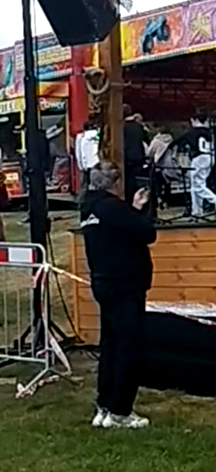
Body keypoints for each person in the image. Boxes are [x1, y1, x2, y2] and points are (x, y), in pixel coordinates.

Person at [79, 161, 155, 429]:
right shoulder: (112, 207)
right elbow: (147, 233)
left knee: (110, 345)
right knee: (128, 346)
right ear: (115, 182)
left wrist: (132, 208)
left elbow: (119, 231)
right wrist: (140, 211)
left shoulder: (89, 209)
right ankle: (121, 409)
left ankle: (105, 405)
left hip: (104, 282)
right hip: (125, 283)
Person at [173, 112, 216, 218]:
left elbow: (177, 142)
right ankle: (197, 210)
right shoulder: (209, 132)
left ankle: (214, 200)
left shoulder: (192, 132)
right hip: (210, 157)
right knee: (197, 184)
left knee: (197, 185)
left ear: (195, 120)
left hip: (199, 158)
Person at [123, 106, 148, 205]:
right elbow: (145, 140)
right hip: (139, 157)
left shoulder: (122, 127)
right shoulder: (138, 126)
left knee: (128, 183)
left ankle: (128, 202)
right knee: (138, 182)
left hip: (126, 158)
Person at [146, 127, 173, 210]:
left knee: (157, 184)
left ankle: (159, 199)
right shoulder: (171, 140)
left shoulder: (156, 141)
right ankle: (167, 202)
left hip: (157, 165)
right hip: (168, 166)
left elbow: (149, 153)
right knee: (167, 184)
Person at [75, 120, 101, 200]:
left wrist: (81, 165)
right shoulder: (98, 136)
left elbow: (79, 153)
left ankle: (81, 201)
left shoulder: (81, 137)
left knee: (84, 185)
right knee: (97, 185)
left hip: (86, 165)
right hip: (97, 163)